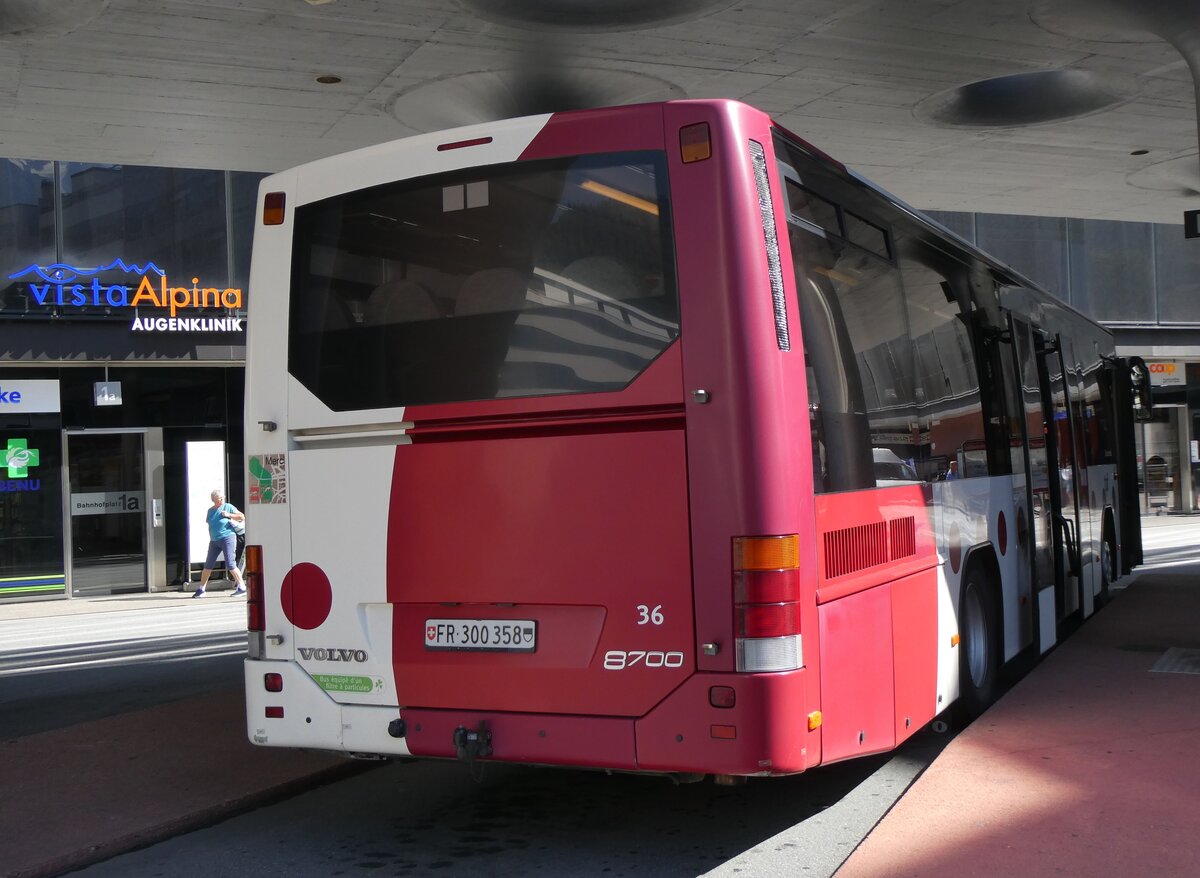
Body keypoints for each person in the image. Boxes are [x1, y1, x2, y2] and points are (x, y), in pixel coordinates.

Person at [193, 489, 247, 597]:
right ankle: (201, 589)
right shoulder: (210, 511)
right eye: (219, 499)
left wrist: (229, 515)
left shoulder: (228, 506)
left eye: (222, 498)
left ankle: (242, 587)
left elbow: (242, 516)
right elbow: (210, 525)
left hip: (228, 538)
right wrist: (211, 537)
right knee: (208, 564)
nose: (222, 500)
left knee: (230, 563)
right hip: (214, 541)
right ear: (213, 500)